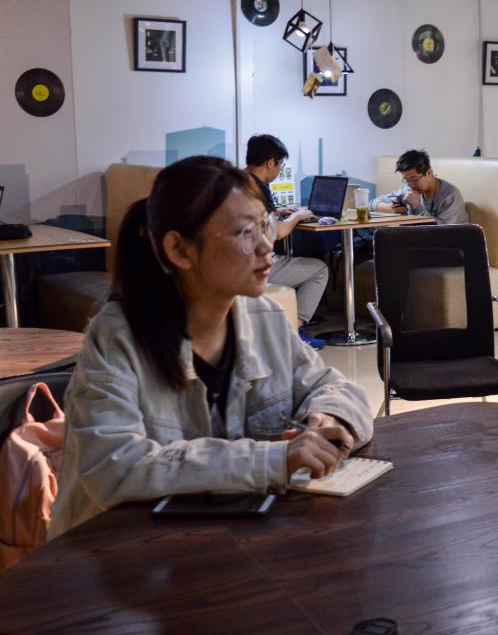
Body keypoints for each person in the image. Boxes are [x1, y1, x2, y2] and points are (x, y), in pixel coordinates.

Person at [49, 156, 373, 538]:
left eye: (265, 225)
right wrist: (272, 459)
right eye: (245, 233)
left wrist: (329, 419)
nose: (266, 246)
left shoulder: (264, 316)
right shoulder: (117, 336)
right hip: (114, 552)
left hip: (225, 544)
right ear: (180, 250)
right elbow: (113, 467)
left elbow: (332, 386)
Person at [245, 134, 329, 350]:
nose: (279, 170)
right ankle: (294, 331)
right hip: (255, 265)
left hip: (237, 260)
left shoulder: (239, 181)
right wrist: (297, 216)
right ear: (270, 162)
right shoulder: (259, 189)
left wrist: (278, 211)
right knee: (319, 269)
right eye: (280, 165)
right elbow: (278, 232)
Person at [371, 149, 469, 226]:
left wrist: (417, 206)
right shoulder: (408, 190)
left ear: (429, 173)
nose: (411, 184)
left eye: (414, 179)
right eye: (406, 179)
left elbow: (443, 232)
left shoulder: (450, 196)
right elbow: (372, 204)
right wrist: (390, 209)